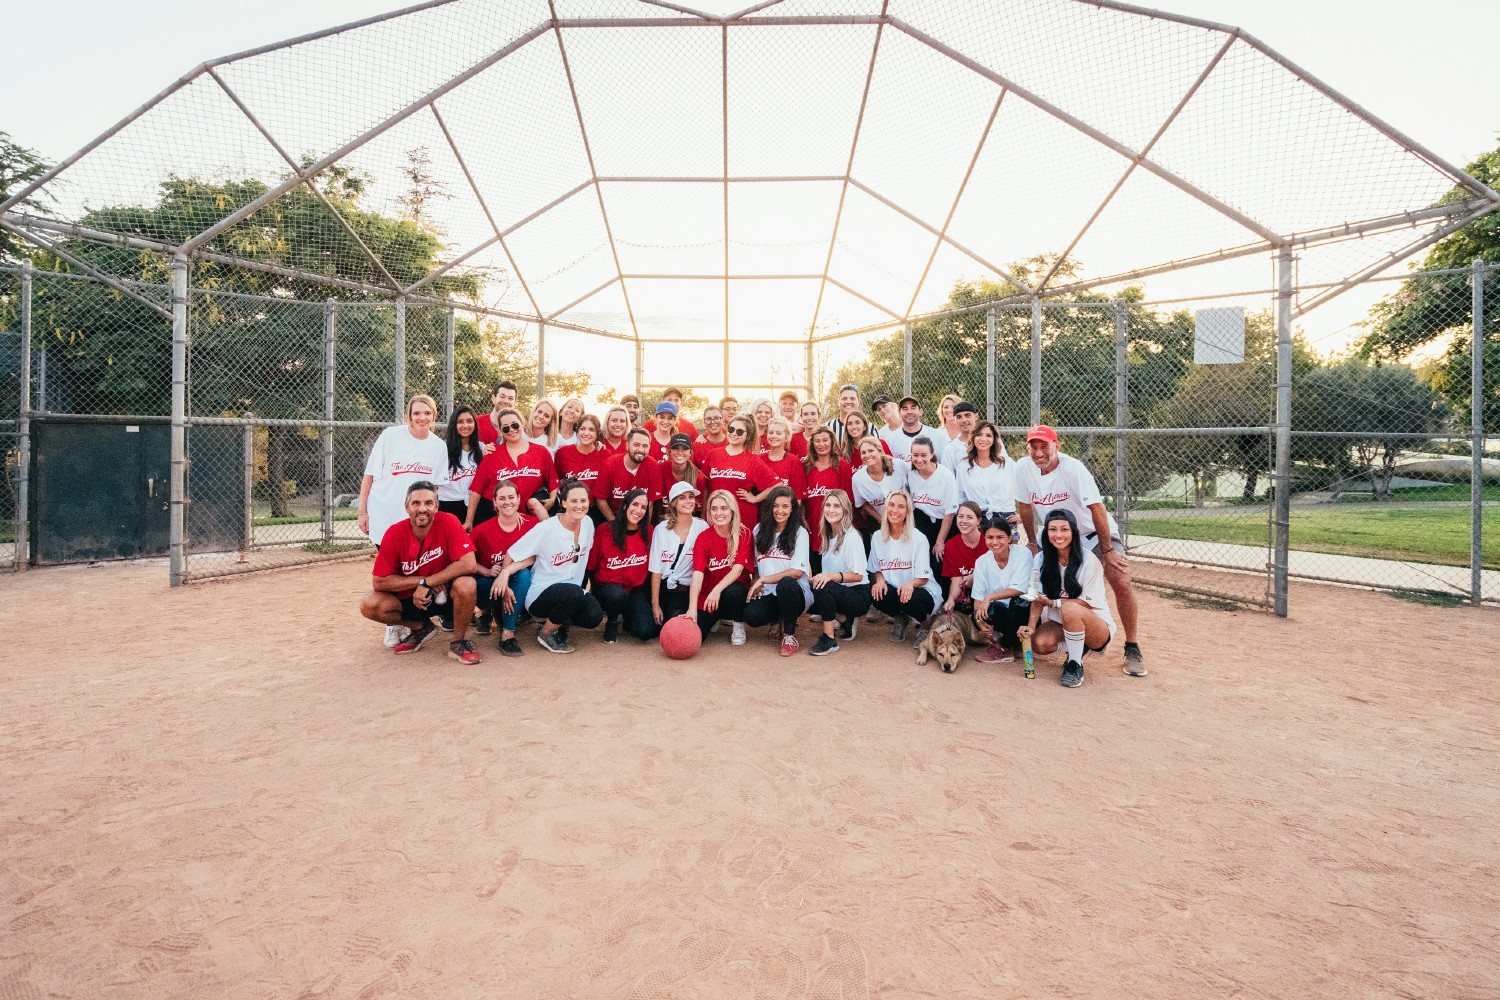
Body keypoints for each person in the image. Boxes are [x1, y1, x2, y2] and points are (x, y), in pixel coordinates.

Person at [1013, 424, 1145, 677]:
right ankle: (1078, 640)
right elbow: (1025, 507)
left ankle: (1132, 646)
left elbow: (1097, 509)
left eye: (1045, 446)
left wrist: (1106, 551)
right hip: (1059, 537)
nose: (1039, 452)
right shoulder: (1022, 468)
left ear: (1057, 445)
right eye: (1034, 447)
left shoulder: (1073, 468)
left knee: (1120, 580)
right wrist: (1032, 542)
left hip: (1092, 534)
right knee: (1054, 587)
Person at [358, 395, 449, 647]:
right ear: (408, 415)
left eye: (427, 413)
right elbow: (370, 476)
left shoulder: (438, 446)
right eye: (416, 413)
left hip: (417, 520)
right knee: (389, 573)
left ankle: (411, 619)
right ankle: (393, 624)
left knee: (412, 570)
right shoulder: (390, 436)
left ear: (434, 416)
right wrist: (362, 511)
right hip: (384, 514)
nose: (422, 418)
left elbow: (437, 488)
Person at [360, 480, 481, 664]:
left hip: (446, 594)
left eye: (428, 503)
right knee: (370, 604)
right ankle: (421, 628)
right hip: (413, 598)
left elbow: (469, 564)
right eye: (416, 503)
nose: (422, 509)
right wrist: (422, 581)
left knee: (467, 584)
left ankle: (458, 642)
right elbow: (379, 581)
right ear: (406, 507)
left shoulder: (448, 521)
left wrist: (429, 582)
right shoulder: (394, 533)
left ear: (437, 506)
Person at [497, 478, 603, 654]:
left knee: (594, 616)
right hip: (541, 594)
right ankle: (547, 632)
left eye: (583, 501)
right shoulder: (547, 528)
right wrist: (505, 578)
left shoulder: (588, 524)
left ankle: (558, 622)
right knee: (572, 592)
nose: (579, 505)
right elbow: (514, 553)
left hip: (571, 593)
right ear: (563, 502)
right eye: (573, 501)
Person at [1019, 509, 1115, 688]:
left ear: (1073, 532)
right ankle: (1078, 645)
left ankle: (1074, 664)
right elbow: (1035, 595)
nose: (1058, 535)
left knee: (1069, 608)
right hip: (1063, 623)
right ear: (1046, 533)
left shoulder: (1089, 559)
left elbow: (1086, 602)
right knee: (1039, 643)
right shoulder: (1040, 558)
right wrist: (1031, 627)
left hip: (1095, 626)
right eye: (1052, 529)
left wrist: (1053, 603)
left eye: (1064, 529)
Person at [743, 485, 814, 656]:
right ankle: (776, 620)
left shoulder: (799, 532)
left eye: (785, 506)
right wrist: (756, 582)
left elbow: (797, 572)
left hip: (795, 593)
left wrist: (763, 580)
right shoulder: (759, 530)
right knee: (752, 615)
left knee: (786, 584)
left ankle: (789, 636)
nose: (779, 511)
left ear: (792, 509)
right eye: (775, 506)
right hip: (768, 592)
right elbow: (755, 566)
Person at [469, 480, 537, 656]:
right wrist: (486, 571)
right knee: (473, 585)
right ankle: (489, 611)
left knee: (522, 575)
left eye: (511, 497)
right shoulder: (481, 530)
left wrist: (506, 576)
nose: (507, 502)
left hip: (518, 586)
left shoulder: (532, 524)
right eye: (502, 498)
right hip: (489, 586)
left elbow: (534, 557)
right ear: (494, 502)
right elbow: (465, 560)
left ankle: (508, 634)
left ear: (519, 499)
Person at [867, 490, 941, 643]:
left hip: (922, 590)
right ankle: (900, 619)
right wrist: (879, 580)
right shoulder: (877, 537)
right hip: (897, 590)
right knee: (876, 593)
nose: (895, 510)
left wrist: (910, 584)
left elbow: (923, 578)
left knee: (908, 598)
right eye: (891, 505)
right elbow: (876, 569)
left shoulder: (918, 538)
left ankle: (925, 625)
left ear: (908, 512)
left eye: (901, 507)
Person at [467, 408, 556, 527]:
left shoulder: (540, 452)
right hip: (495, 516)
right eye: (505, 427)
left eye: (515, 425)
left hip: (528, 517)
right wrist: (469, 521)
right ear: (500, 431)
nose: (511, 430)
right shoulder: (492, 455)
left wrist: (553, 499)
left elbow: (553, 481)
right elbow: (476, 490)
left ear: (522, 424)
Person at [806, 488, 870, 656]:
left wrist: (830, 576)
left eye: (837, 506)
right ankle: (844, 620)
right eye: (828, 505)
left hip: (858, 595)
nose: (831, 510)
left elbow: (858, 575)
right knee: (803, 588)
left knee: (823, 585)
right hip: (840, 590)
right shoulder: (828, 535)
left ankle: (829, 640)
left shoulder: (851, 536)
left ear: (845, 511)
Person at [589, 487, 654, 643]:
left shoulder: (649, 532)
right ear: (625, 505)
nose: (638, 510)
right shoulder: (605, 530)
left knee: (646, 631)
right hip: (608, 589)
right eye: (635, 504)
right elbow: (591, 565)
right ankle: (612, 621)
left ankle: (627, 616)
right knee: (616, 595)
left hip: (633, 589)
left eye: (643, 507)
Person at [689, 489, 753, 644]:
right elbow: (698, 573)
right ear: (709, 512)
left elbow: (737, 569)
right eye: (714, 508)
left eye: (724, 508)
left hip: (731, 591)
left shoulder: (744, 533)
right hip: (709, 596)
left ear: (732, 510)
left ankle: (738, 623)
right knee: (697, 636)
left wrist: (716, 590)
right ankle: (715, 616)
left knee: (734, 591)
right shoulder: (704, 537)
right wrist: (692, 607)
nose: (719, 513)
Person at [971, 518, 1034, 664]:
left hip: (1022, 613)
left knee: (1019, 602)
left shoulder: (1022, 554)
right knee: (984, 611)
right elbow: (978, 598)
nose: (994, 542)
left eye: (1000, 537)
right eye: (990, 537)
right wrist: (979, 621)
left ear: (1010, 538)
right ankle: (1010, 641)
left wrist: (990, 597)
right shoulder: (982, 561)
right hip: (1001, 614)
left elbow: (1020, 589)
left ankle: (1004, 646)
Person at [650, 482, 708, 630]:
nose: (688, 501)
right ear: (674, 503)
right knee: (647, 630)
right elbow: (656, 571)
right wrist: (655, 606)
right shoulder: (661, 529)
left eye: (691, 497)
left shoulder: (702, 527)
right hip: (665, 589)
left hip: (687, 590)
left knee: (682, 627)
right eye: (682, 498)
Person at [702, 415, 775, 533]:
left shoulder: (753, 460)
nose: (734, 433)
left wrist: (755, 498)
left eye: (740, 431)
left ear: (748, 436)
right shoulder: (714, 454)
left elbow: (776, 485)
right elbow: (705, 485)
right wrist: (705, 512)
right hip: (717, 517)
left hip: (743, 519)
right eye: (731, 429)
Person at [801, 425, 852, 573]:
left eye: (825, 440)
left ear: (832, 442)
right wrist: (803, 518)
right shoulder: (806, 466)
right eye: (817, 441)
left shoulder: (842, 466)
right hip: (813, 526)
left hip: (835, 527)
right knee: (817, 571)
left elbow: (847, 500)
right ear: (812, 444)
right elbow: (801, 498)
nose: (821, 444)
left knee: (835, 570)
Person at [906, 437, 958, 568]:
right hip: (922, 521)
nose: (919, 459)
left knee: (940, 558)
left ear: (932, 454)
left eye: (924, 455)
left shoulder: (946, 475)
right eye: (915, 455)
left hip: (944, 523)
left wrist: (940, 541)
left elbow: (950, 512)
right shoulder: (910, 473)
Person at [955, 420, 1016, 527]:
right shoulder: (964, 465)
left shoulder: (1007, 463)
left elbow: (1024, 489)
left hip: (1006, 516)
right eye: (979, 435)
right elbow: (961, 497)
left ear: (994, 440)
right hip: (977, 518)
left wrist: (1021, 517)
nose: (983, 439)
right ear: (973, 437)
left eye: (988, 435)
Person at [595, 427, 659, 521]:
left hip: (639, 520)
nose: (641, 450)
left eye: (645, 446)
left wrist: (643, 528)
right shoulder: (611, 464)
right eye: (636, 445)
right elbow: (601, 500)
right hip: (614, 518)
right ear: (627, 445)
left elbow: (650, 503)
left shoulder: (653, 465)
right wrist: (615, 524)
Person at [939, 501, 988, 623]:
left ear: (979, 520)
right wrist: (950, 599)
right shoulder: (951, 545)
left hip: (988, 592)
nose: (964, 521)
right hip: (966, 594)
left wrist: (976, 576)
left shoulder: (988, 541)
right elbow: (956, 579)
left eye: (970, 517)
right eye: (960, 517)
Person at [850, 435, 905, 541]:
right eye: (863, 452)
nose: (867, 455)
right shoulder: (858, 479)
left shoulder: (898, 465)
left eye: (871, 450)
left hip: (906, 519)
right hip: (880, 521)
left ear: (880, 451)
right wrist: (881, 521)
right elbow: (863, 503)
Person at [438, 405, 483, 523]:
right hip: (448, 504)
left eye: (469, 421)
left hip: (474, 505)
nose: (465, 425)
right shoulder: (442, 448)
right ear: (454, 425)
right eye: (460, 422)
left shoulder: (481, 448)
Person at [879, 395, 939, 466]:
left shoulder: (935, 434)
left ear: (920, 412)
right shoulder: (890, 439)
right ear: (899, 413)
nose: (909, 412)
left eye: (913, 408)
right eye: (905, 409)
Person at [755, 418, 807, 497]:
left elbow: (798, 498)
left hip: (785, 508)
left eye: (778, 433)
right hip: (763, 508)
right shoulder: (760, 459)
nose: (774, 436)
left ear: (786, 438)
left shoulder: (793, 461)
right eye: (771, 432)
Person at [659, 433, 708, 500]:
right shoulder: (660, 470)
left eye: (684, 449)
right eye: (676, 448)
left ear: (690, 453)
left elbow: (698, 509)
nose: (680, 452)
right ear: (669, 452)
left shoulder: (698, 478)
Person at [475, 380, 519, 449]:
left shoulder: (519, 428)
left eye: (510, 398)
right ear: (493, 398)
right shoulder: (476, 422)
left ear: (516, 402)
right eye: (502, 396)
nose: (506, 401)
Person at [940, 401, 979, 470]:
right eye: (959, 417)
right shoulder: (950, 450)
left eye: (967, 415)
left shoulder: (988, 442)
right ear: (954, 420)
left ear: (976, 416)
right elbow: (947, 478)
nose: (964, 420)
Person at [827, 384, 861, 449]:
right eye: (844, 399)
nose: (848, 402)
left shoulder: (870, 427)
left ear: (858, 402)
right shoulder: (828, 427)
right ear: (838, 402)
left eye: (852, 398)